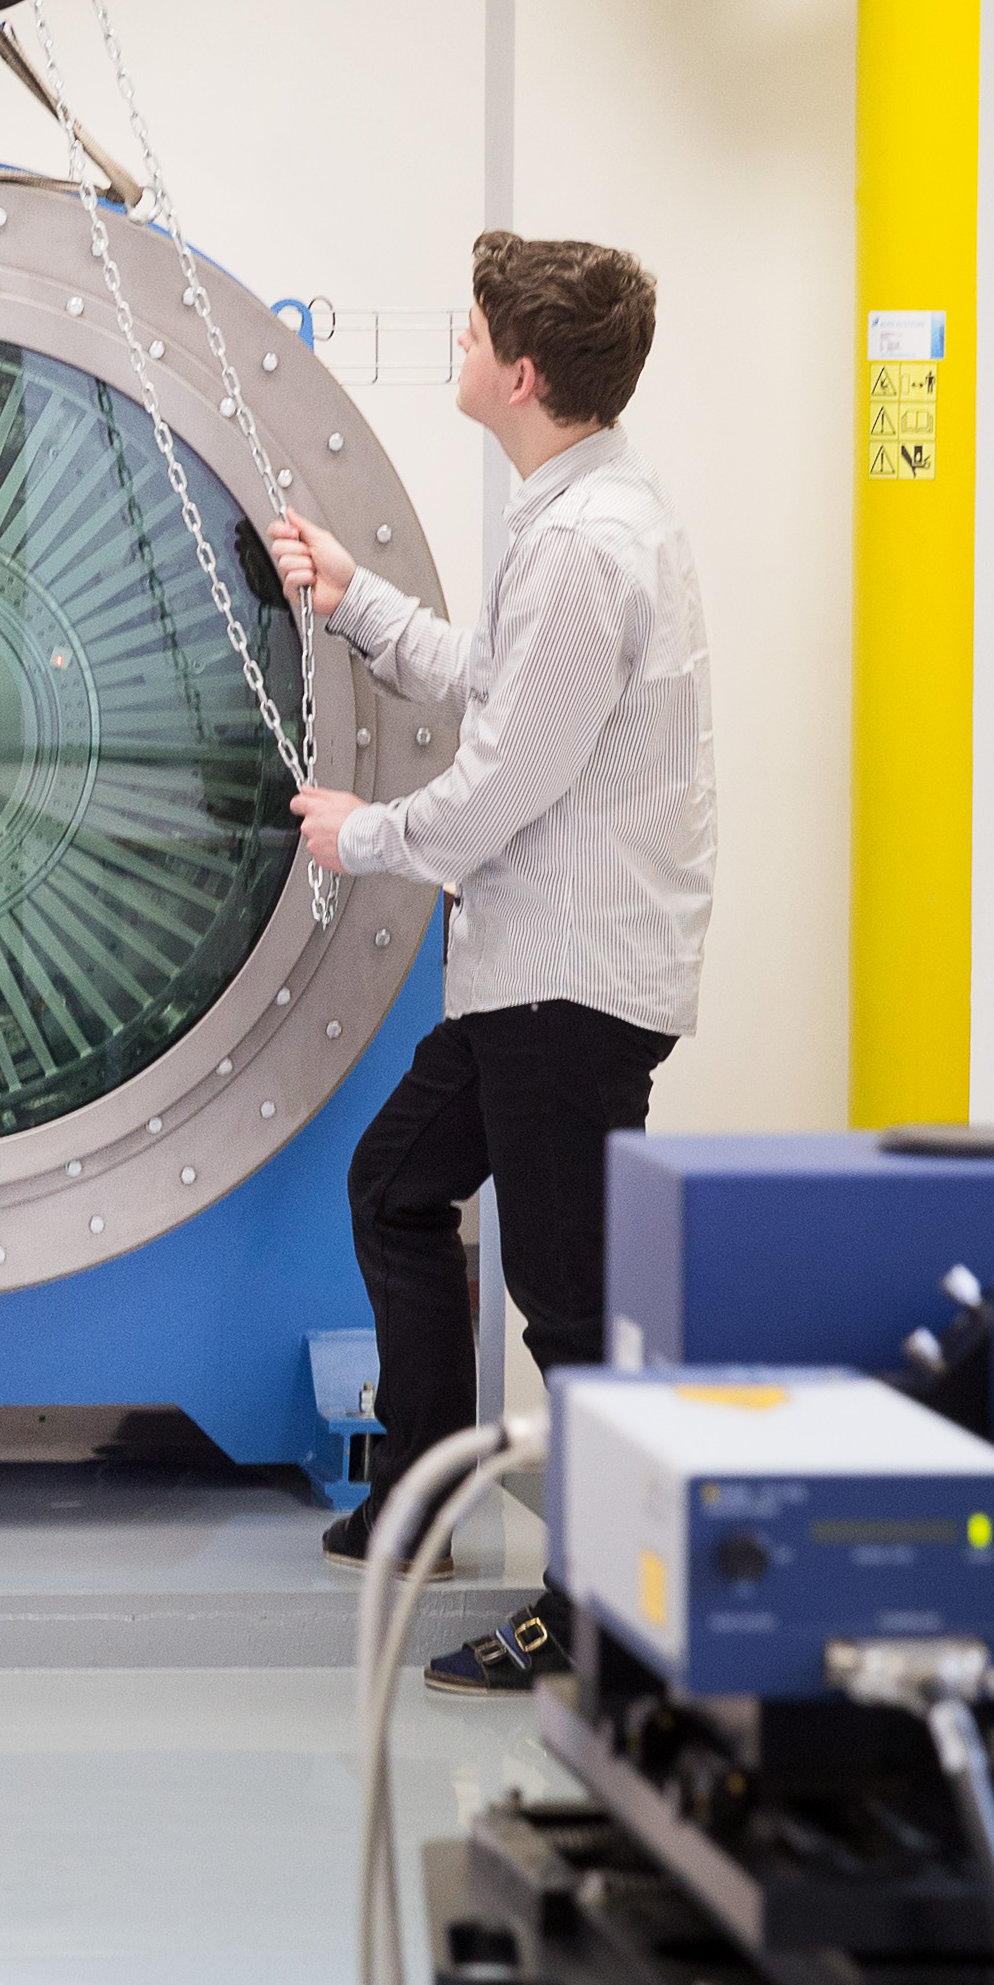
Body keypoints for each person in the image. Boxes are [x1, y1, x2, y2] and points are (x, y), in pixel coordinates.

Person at [269, 228, 713, 1695]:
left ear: (519, 375)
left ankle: (594, 1619)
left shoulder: (588, 545)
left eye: (468, 333)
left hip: (567, 988)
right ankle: (420, 1502)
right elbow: (497, 683)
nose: (455, 348)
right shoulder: (577, 513)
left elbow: (504, 778)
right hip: (530, 972)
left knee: (573, 1311)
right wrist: (355, 598)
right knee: (397, 1189)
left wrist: (361, 835)